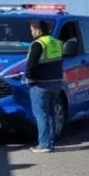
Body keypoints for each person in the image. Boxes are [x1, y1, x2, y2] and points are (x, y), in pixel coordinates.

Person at [24, 19, 63, 153]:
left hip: (41, 83)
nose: (31, 33)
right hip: (56, 82)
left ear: (38, 30)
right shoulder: (55, 42)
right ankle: (51, 142)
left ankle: (44, 144)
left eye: (32, 30)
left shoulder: (38, 44)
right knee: (51, 113)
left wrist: (28, 77)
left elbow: (31, 63)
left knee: (41, 114)